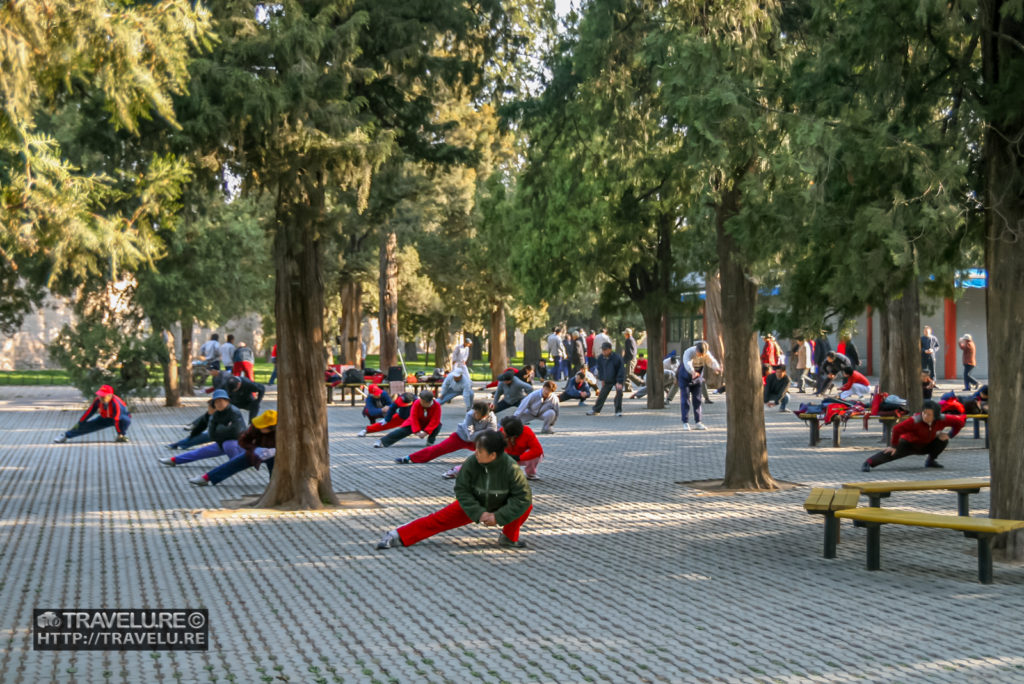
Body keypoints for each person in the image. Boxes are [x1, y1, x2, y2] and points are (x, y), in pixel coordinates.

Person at [376, 429, 532, 550]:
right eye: (476, 449)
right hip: (475, 503)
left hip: (501, 504)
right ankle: (395, 535)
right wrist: (479, 512)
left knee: (526, 506)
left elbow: (522, 498)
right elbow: (462, 490)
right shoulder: (472, 462)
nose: (475, 453)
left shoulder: (511, 468)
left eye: (480, 451)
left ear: (493, 455)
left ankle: (509, 538)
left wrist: (499, 516)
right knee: (437, 520)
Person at [861, 400, 965, 472]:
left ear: (936, 416)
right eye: (924, 413)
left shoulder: (942, 419)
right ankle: (868, 463)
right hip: (909, 444)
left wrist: (950, 435)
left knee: (942, 440)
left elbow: (960, 422)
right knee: (891, 453)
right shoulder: (915, 420)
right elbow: (897, 429)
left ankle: (931, 461)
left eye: (929, 414)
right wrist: (893, 445)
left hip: (927, 444)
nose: (925, 416)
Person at [189, 409, 278, 486]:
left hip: (277, 455)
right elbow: (243, 440)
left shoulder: (281, 429)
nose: (261, 429)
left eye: (264, 428)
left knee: (275, 474)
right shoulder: (255, 426)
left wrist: (275, 450)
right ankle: (206, 478)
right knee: (233, 463)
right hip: (256, 452)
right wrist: (255, 449)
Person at [159, 389, 245, 466]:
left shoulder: (234, 412)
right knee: (200, 452)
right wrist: (222, 429)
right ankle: (174, 460)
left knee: (228, 445)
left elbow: (236, 432)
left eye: (221, 401)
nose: (219, 403)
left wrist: (219, 429)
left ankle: (236, 463)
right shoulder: (214, 414)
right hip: (221, 442)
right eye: (216, 401)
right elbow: (211, 434)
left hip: (238, 443)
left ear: (227, 401)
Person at [396, 401, 497, 465]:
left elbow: (492, 434)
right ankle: (409, 458)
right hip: (461, 437)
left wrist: (485, 434)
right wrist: (485, 432)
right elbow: (471, 436)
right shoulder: (469, 415)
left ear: (485, 416)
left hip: (480, 442)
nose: (475, 415)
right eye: (475, 412)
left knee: (497, 447)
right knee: (438, 448)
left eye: (478, 415)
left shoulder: (492, 417)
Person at [54, 384, 132, 443]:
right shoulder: (98, 400)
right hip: (105, 418)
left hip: (120, 418)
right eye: (100, 395)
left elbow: (117, 419)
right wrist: (80, 422)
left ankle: (121, 436)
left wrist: (120, 433)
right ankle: (66, 435)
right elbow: (89, 412)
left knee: (126, 420)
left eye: (103, 396)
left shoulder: (116, 404)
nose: (101, 398)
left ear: (110, 396)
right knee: (86, 426)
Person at [677, 341, 721, 430]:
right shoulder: (688, 352)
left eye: (702, 355)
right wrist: (692, 372)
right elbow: (687, 363)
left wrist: (716, 367)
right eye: (699, 354)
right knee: (685, 399)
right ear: (696, 349)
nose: (700, 356)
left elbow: (711, 361)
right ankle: (685, 422)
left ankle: (698, 422)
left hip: (697, 377)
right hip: (686, 375)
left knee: (697, 399)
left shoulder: (706, 353)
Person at [374, 390, 442, 448]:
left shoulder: (437, 406)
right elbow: (413, 417)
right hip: (415, 423)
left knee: (438, 425)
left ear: (428, 402)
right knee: (401, 431)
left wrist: (426, 432)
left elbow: (435, 420)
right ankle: (382, 441)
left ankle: (431, 441)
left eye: (422, 401)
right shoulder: (417, 403)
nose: (420, 401)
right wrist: (417, 431)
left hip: (428, 424)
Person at [587, 342, 625, 417]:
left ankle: (618, 411)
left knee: (619, 393)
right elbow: (600, 369)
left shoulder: (616, 358)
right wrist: (602, 379)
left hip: (617, 378)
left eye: (606, 350)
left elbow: (621, 370)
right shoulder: (601, 358)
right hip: (608, 378)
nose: (604, 351)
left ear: (610, 350)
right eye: (603, 350)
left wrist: (619, 382)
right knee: (602, 394)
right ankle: (596, 410)